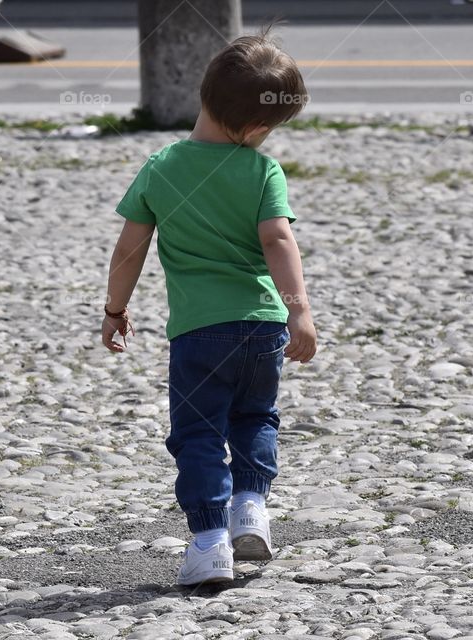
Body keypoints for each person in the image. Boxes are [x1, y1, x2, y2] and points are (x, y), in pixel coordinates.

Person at [101, 30, 317, 586]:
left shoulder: (162, 166)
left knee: (197, 433)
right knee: (256, 416)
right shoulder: (262, 171)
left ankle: (209, 541)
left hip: (199, 334)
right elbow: (278, 241)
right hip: (264, 327)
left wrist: (114, 309)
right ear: (254, 126)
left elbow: (130, 248)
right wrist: (298, 310)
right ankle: (251, 504)